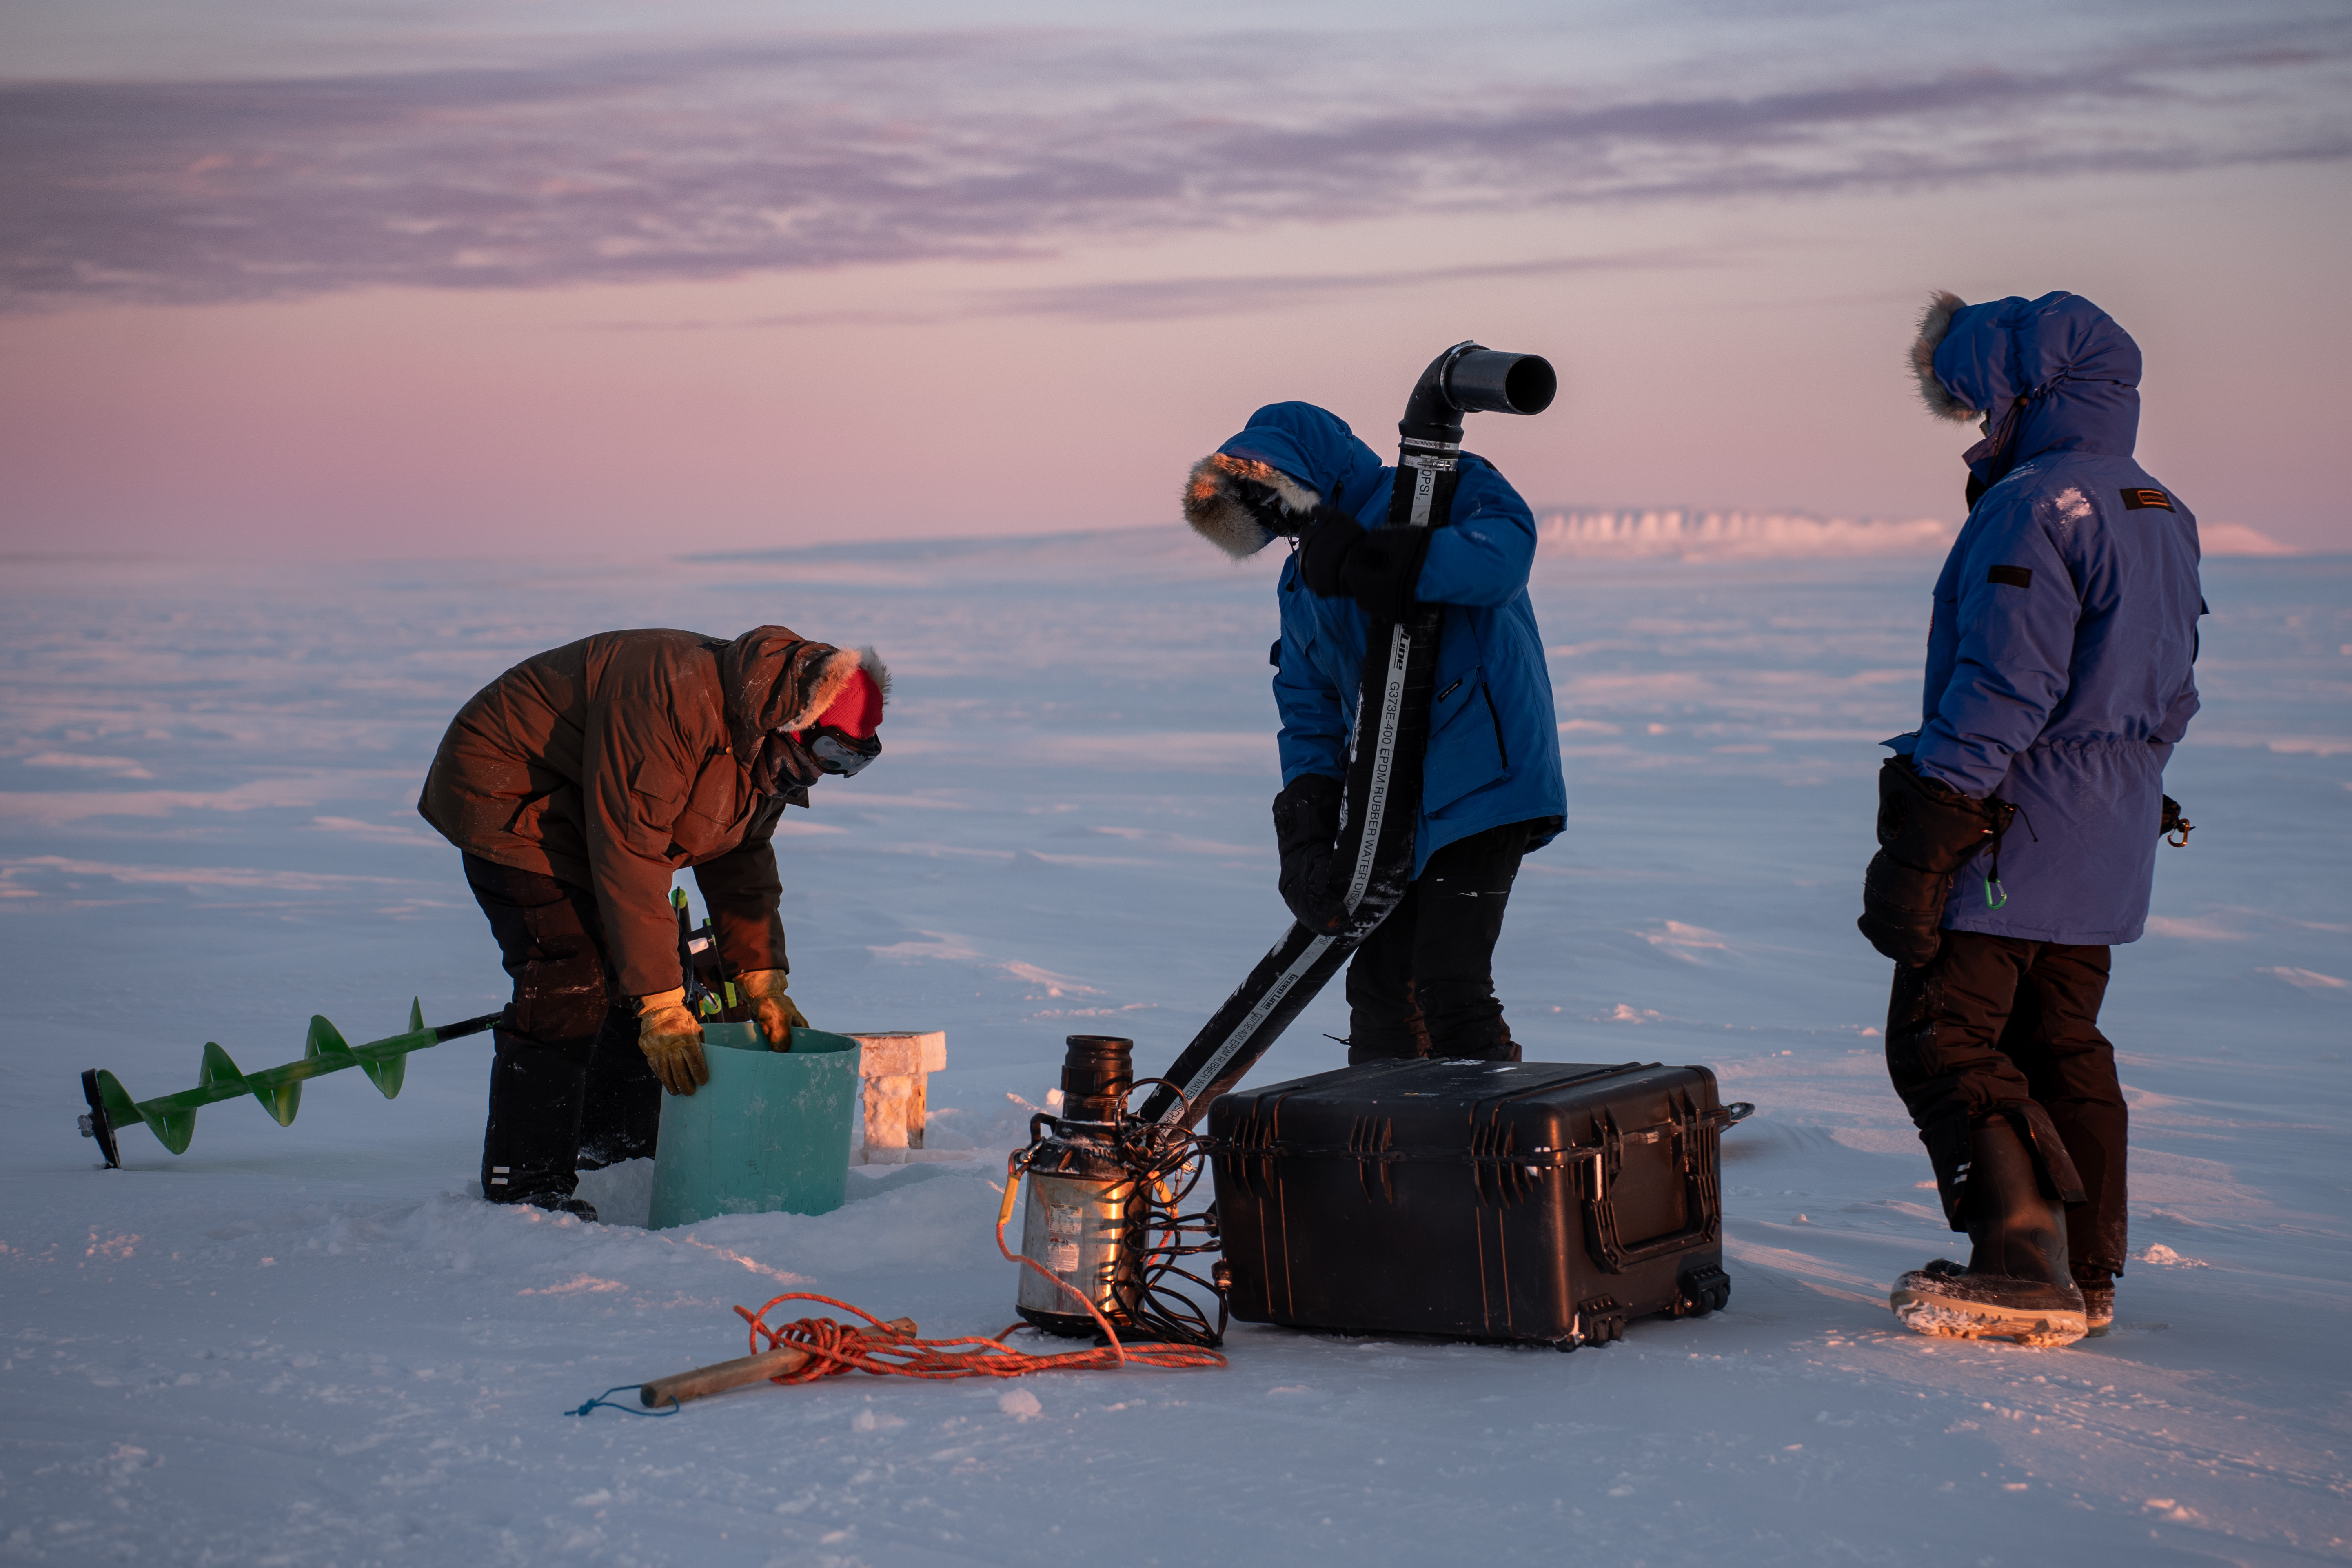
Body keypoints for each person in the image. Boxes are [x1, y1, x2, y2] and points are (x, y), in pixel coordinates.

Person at [1862, 291, 2202, 1345]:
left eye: (1980, 403)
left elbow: (2006, 682)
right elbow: (2171, 682)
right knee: (2058, 1037)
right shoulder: (2155, 505)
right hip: (2106, 825)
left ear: (2024, 390)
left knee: (1942, 1033)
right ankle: (2084, 1269)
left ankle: (2020, 1259)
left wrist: (1937, 811)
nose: (1977, 426)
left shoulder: (2033, 504)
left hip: (2014, 818)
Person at [418, 625, 888, 1220]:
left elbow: (739, 859)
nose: (828, 773)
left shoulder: (763, 741)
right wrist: (663, 1007)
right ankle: (525, 1187)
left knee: (642, 969)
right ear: (796, 721)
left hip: (596, 809)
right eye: (830, 754)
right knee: (571, 975)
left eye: (853, 761)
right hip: (511, 793)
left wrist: (763, 978)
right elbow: (630, 858)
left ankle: (615, 1149)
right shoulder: (669, 704)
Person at [1183, 401, 1566, 1062]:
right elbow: (1308, 704)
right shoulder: (1303, 578)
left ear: (1309, 476)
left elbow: (1503, 558)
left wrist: (1384, 559)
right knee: (1381, 988)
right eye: (1255, 507)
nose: (1270, 517)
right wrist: (1307, 818)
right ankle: (1386, 1147)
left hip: (1484, 771)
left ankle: (1492, 1149)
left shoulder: (1441, 487)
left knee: (1449, 977)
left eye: (1271, 494)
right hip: (1394, 792)